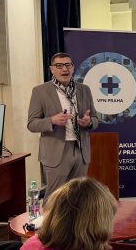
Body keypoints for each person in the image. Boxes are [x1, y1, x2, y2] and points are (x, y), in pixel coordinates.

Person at [27, 52, 100, 200]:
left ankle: (75, 223)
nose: (64, 69)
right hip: (56, 151)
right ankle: (51, 224)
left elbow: (95, 118)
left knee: (78, 196)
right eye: (59, 66)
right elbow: (32, 124)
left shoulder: (84, 90)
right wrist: (52, 120)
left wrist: (89, 122)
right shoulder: (40, 91)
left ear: (73, 68)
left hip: (80, 150)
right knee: (55, 197)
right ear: (51, 69)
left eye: (67, 65)